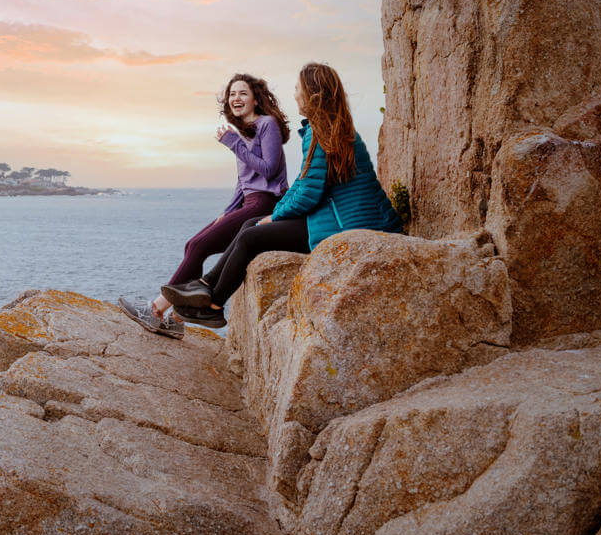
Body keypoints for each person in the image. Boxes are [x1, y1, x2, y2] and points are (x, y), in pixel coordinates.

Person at [160, 62, 403, 327]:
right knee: (250, 225)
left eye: (298, 89)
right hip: (334, 217)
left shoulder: (324, 132)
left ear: (312, 94)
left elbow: (308, 194)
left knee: (252, 235)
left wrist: (275, 217)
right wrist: (274, 214)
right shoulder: (325, 128)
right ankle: (205, 285)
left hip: (347, 225)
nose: (296, 95)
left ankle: (214, 304)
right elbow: (301, 184)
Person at [119, 73, 290, 337]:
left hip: (266, 204)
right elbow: (244, 182)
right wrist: (228, 211)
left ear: (256, 99)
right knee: (193, 245)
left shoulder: (267, 124)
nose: (236, 98)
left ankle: (155, 310)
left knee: (198, 246)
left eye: (243, 93)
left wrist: (234, 145)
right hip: (249, 203)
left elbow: (268, 170)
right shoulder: (243, 133)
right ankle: (176, 320)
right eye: (232, 94)